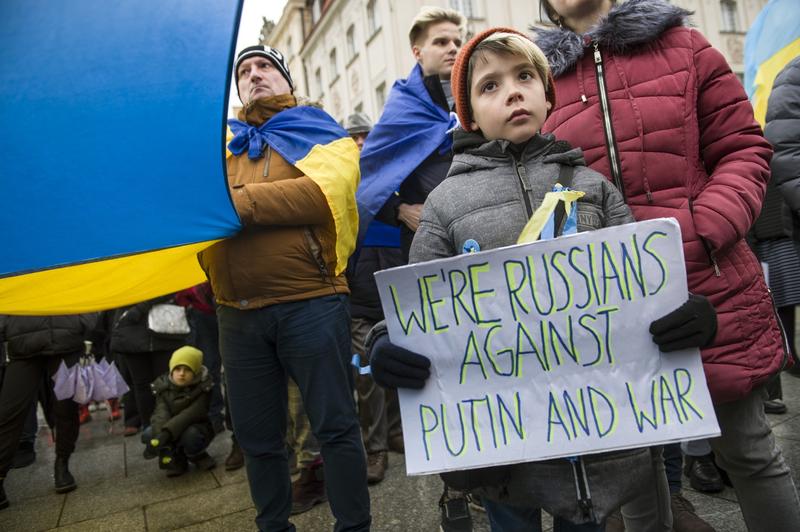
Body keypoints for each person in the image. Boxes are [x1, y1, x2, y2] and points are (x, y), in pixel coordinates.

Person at [368, 27, 684, 532]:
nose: (512, 92)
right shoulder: (445, 204)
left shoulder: (594, 188)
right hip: (501, 451)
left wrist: (682, 315)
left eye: (524, 77)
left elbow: (644, 290)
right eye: (489, 85)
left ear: (546, 94)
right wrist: (386, 344)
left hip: (595, 440)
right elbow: (416, 303)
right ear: (469, 114)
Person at [533, 1, 800, 531]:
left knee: (748, 451)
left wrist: (703, 230)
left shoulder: (684, 46)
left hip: (708, 283)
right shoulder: (535, 81)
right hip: (606, 308)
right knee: (637, 477)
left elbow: (743, 148)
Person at [199, 44, 370, 531]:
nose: (254, 75)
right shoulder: (219, 143)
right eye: (244, 71)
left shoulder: (316, 129)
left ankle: (354, 526)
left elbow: (321, 195)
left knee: (335, 426)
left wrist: (234, 204)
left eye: (265, 66)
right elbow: (192, 204)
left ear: (287, 80)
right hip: (236, 311)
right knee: (258, 440)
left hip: (310, 301)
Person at [355, 7, 471, 529]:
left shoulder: (475, 92)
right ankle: (455, 488)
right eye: (441, 41)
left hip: (478, 245)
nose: (453, 47)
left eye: (458, 39)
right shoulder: (401, 110)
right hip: (422, 254)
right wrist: (401, 208)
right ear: (417, 51)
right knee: (436, 364)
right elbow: (369, 179)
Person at [346, 111, 405, 484]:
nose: (360, 142)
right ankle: (376, 448)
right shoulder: (341, 182)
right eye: (353, 137)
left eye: (365, 136)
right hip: (359, 299)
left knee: (397, 362)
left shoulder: (394, 178)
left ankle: (396, 432)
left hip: (395, 291)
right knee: (367, 373)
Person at [0, 313, 98, 509]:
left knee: (66, 408)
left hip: (65, 339)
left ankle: (62, 462)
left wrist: (83, 320)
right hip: (23, 342)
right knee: (8, 413)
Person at [110, 295, 188, 455]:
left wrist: (140, 307)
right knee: (143, 386)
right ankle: (152, 433)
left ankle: (171, 432)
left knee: (166, 384)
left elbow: (169, 287)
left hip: (162, 326)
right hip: (131, 328)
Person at [145, 346, 216, 477]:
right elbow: (161, 412)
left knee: (191, 435)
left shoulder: (203, 388)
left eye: (187, 370)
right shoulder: (163, 387)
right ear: (171, 370)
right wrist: (160, 435)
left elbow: (191, 414)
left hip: (196, 426)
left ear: (196, 372)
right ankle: (177, 458)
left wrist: (167, 433)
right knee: (149, 433)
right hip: (170, 428)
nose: (182, 373)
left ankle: (197, 455)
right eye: (177, 369)